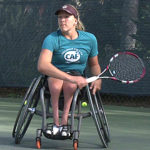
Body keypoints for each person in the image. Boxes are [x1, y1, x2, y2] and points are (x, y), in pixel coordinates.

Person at [37, 4, 102, 137]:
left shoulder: (90, 39)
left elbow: (94, 65)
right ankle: (56, 123)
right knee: (56, 83)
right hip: (55, 73)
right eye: (60, 17)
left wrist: (97, 78)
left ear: (75, 20)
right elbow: (42, 66)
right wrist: (70, 78)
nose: (62, 20)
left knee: (71, 85)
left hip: (76, 76)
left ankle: (65, 122)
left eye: (66, 17)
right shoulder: (51, 39)